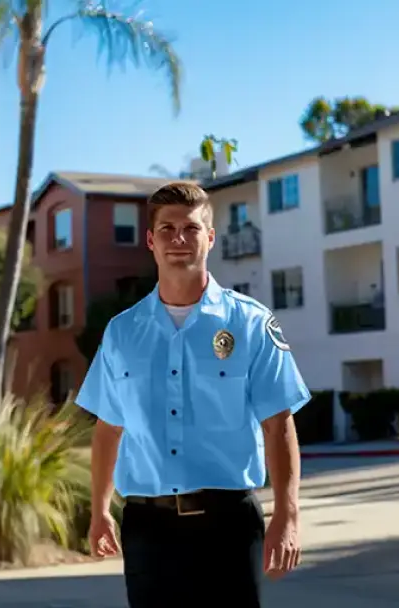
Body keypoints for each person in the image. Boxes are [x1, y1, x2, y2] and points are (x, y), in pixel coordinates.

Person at [75, 181, 309, 607]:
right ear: (150, 239)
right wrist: (99, 512)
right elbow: (108, 429)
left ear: (211, 238)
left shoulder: (251, 324)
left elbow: (279, 425)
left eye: (191, 228)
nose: (178, 239)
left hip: (229, 527)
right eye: (166, 229)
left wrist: (287, 514)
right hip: (149, 529)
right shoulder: (122, 332)